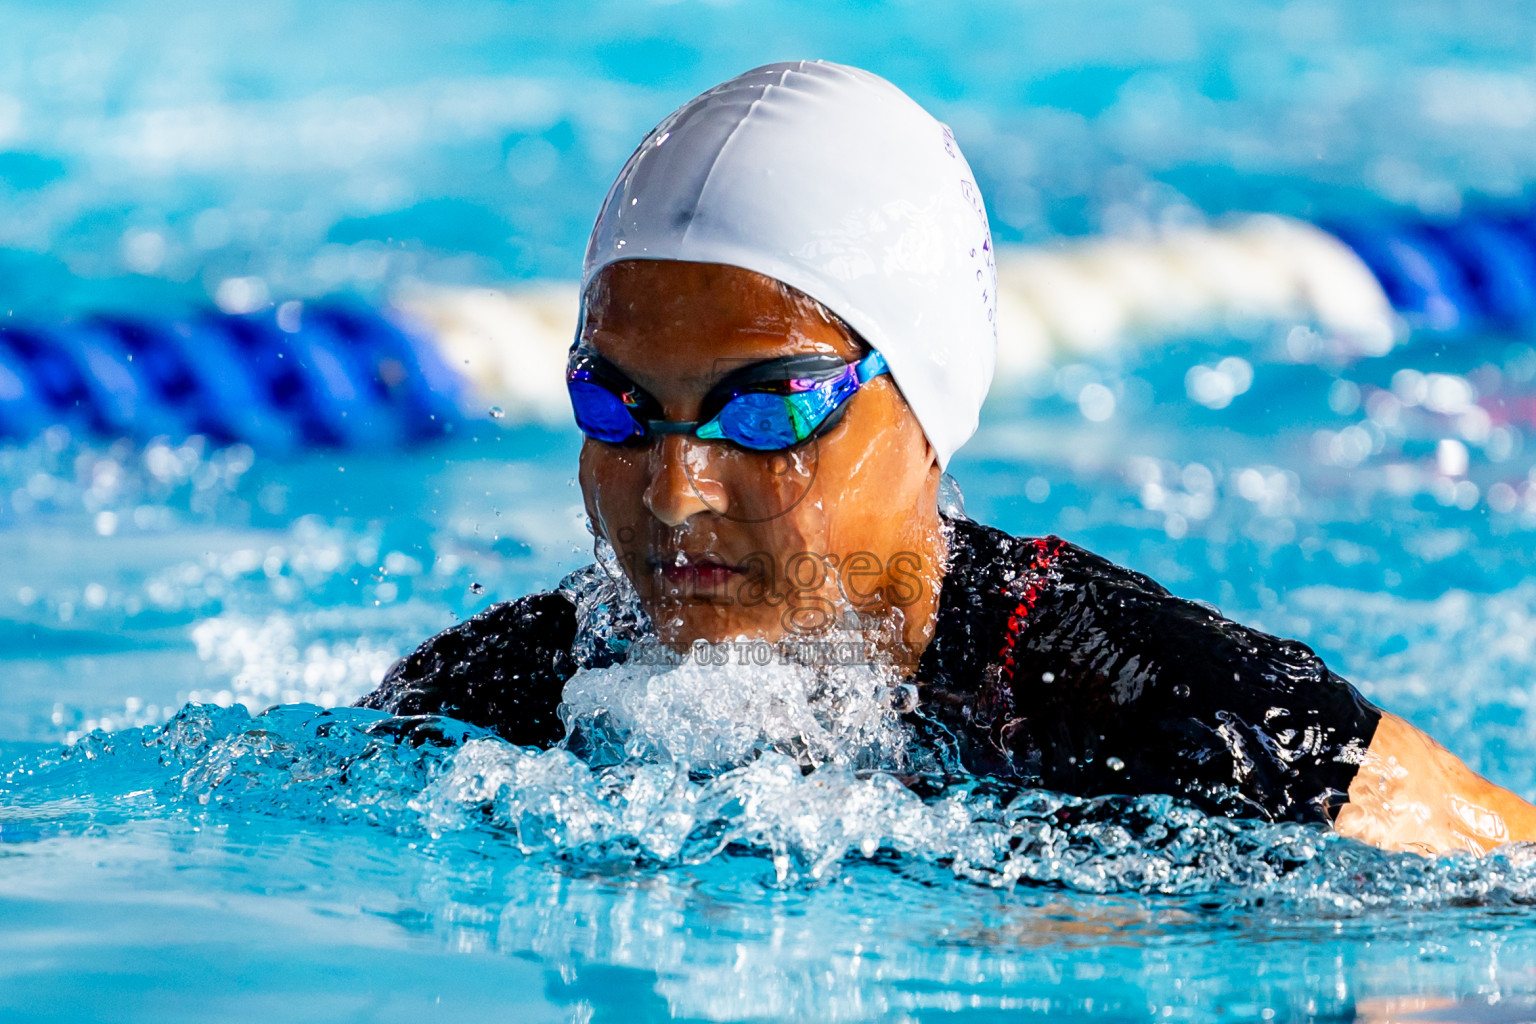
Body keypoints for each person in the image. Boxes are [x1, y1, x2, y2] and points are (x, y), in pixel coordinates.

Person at [360, 60, 1536, 856]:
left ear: (929, 410)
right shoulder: (492, 703)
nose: (675, 490)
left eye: (764, 413)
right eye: (615, 410)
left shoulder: (1177, 713)